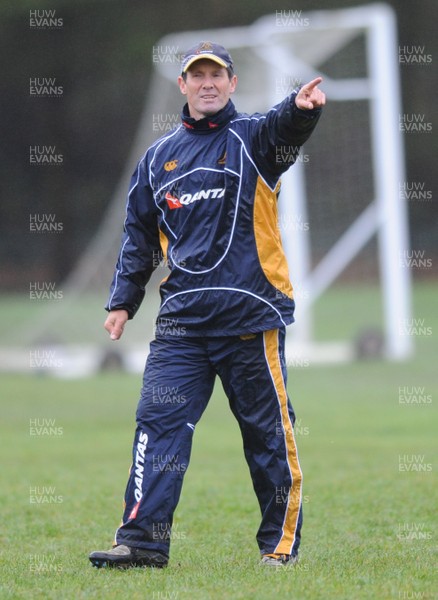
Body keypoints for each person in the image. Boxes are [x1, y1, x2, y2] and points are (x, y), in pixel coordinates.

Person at [89, 41, 325, 570]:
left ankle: (278, 546)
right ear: (184, 86)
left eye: (216, 75)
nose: (207, 83)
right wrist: (123, 302)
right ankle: (142, 542)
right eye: (197, 76)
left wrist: (300, 110)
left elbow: (283, 129)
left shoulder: (255, 140)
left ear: (232, 83)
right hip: (180, 328)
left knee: (267, 436)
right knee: (157, 425)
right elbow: (138, 236)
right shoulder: (157, 160)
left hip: (249, 319)